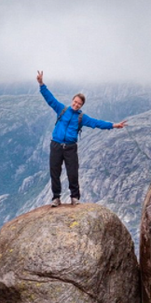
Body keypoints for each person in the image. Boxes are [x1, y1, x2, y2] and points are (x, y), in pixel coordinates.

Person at [36, 70, 127, 206]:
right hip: (56, 145)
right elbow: (50, 99)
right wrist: (41, 84)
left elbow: (97, 123)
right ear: (72, 101)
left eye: (79, 103)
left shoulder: (82, 117)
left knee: (72, 173)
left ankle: (74, 197)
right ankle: (56, 198)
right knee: (55, 172)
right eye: (75, 102)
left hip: (70, 148)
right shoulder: (61, 109)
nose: (76, 104)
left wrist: (113, 125)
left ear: (81, 105)